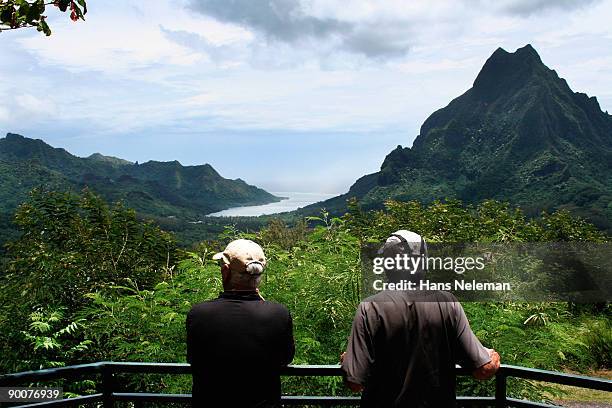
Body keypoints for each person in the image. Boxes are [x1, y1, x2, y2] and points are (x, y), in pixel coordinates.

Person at [341, 230, 500, 407]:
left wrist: (350, 362)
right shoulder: (448, 302)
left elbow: (354, 383)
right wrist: (492, 357)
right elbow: (483, 370)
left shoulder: (370, 308)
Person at [186, 239, 295, 408]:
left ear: (225, 271)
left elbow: (193, 358)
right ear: (259, 275)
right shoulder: (279, 314)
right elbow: (285, 359)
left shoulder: (199, 314)